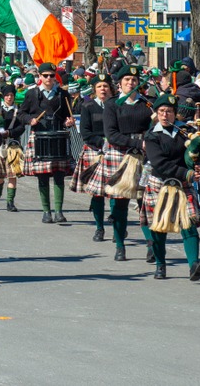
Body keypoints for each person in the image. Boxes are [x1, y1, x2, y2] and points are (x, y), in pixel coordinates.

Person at [141, 93, 200, 281]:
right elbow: (160, 164)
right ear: (157, 113)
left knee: (188, 223)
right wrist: (187, 173)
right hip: (160, 184)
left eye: (169, 112)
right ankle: (160, 265)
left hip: (183, 185)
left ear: (175, 114)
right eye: (162, 111)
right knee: (158, 227)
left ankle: (194, 265)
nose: (165, 115)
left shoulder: (186, 132)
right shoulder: (151, 136)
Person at [99, 65, 152, 261]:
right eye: (127, 80)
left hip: (145, 157)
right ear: (119, 83)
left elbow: (154, 127)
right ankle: (120, 245)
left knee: (145, 202)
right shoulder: (112, 105)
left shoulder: (147, 104)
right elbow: (111, 134)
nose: (131, 83)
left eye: (134, 80)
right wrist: (138, 142)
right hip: (121, 155)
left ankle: (151, 245)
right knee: (120, 204)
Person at [19, 62, 75, 223]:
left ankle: (58, 211)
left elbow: (67, 115)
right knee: (42, 176)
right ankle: (46, 211)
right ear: (40, 76)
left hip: (58, 135)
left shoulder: (63, 95)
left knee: (59, 174)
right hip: (39, 136)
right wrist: (30, 120)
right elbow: (21, 114)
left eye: (52, 75)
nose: (49, 78)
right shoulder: (32, 94)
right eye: (45, 76)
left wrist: (68, 121)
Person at [73, 73, 112, 240]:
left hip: (114, 151)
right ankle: (99, 227)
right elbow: (85, 132)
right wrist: (100, 142)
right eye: (99, 86)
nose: (103, 89)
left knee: (116, 191)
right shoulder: (88, 107)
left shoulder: (116, 105)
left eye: (105, 86)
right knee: (97, 193)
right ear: (94, 90)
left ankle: (119, 224)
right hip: (95, 151)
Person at [0, 85, 24, 212]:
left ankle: (10, 202)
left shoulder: (18, 111)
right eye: (7, 95)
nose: (9, 98)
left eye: (11, 95)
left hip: (13, 145)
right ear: (3, 97)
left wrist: (9, 133)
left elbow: (21, 128)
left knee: (12, 175)